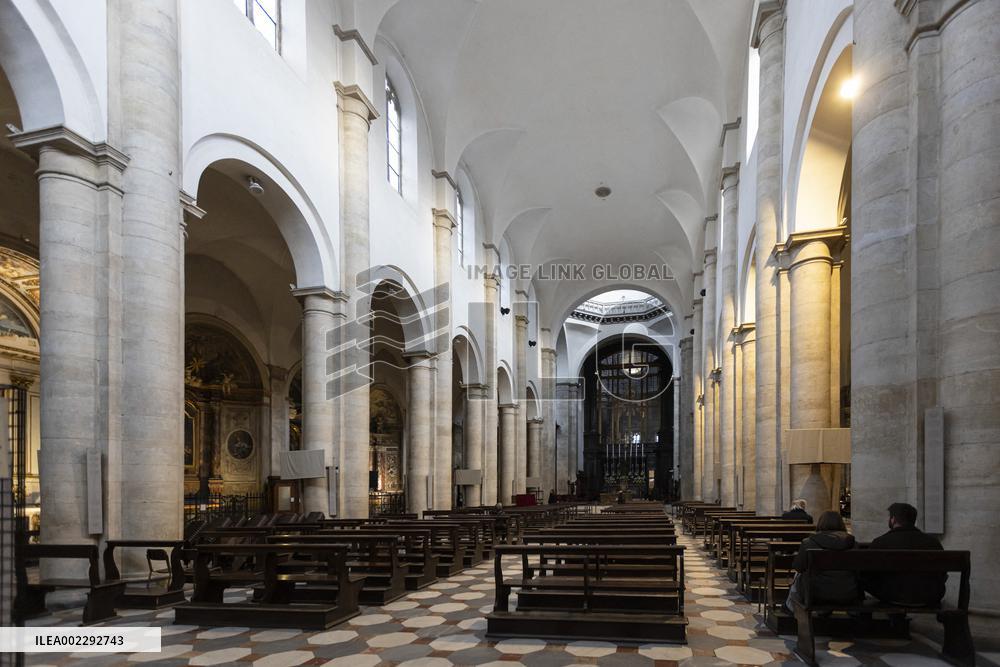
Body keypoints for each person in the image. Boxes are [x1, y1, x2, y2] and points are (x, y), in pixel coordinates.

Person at [863, 502, 946, 606]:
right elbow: (943, 573)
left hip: (890, 595)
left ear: (893, 519)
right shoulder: (933, 542)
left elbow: (867, 573)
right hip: (928, 595)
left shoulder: (880, 542)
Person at [787, 510, 859, 610]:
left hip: (815, 593)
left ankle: (789, 607)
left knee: (798, 575)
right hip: (848, 592)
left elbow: (799, 567)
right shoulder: (853, 543)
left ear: (821, 523)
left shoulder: (808, 543)